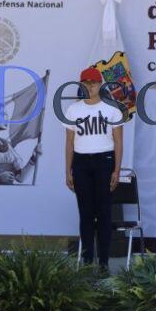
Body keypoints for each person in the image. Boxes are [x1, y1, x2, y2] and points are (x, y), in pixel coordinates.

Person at [64, 67, 123, 269]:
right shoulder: (73, 110)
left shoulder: (112, 109)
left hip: (104, 160)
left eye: (94, 83)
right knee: (86, 213)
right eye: (87, 83)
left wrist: (117, 170)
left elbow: (118, 142)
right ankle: (88, 260)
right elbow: (69, 142)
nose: (90, 86)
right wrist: (67, 170)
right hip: (81, 162)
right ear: (82, 85)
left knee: (104, 213)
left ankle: (104, 261)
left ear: (100, 85)